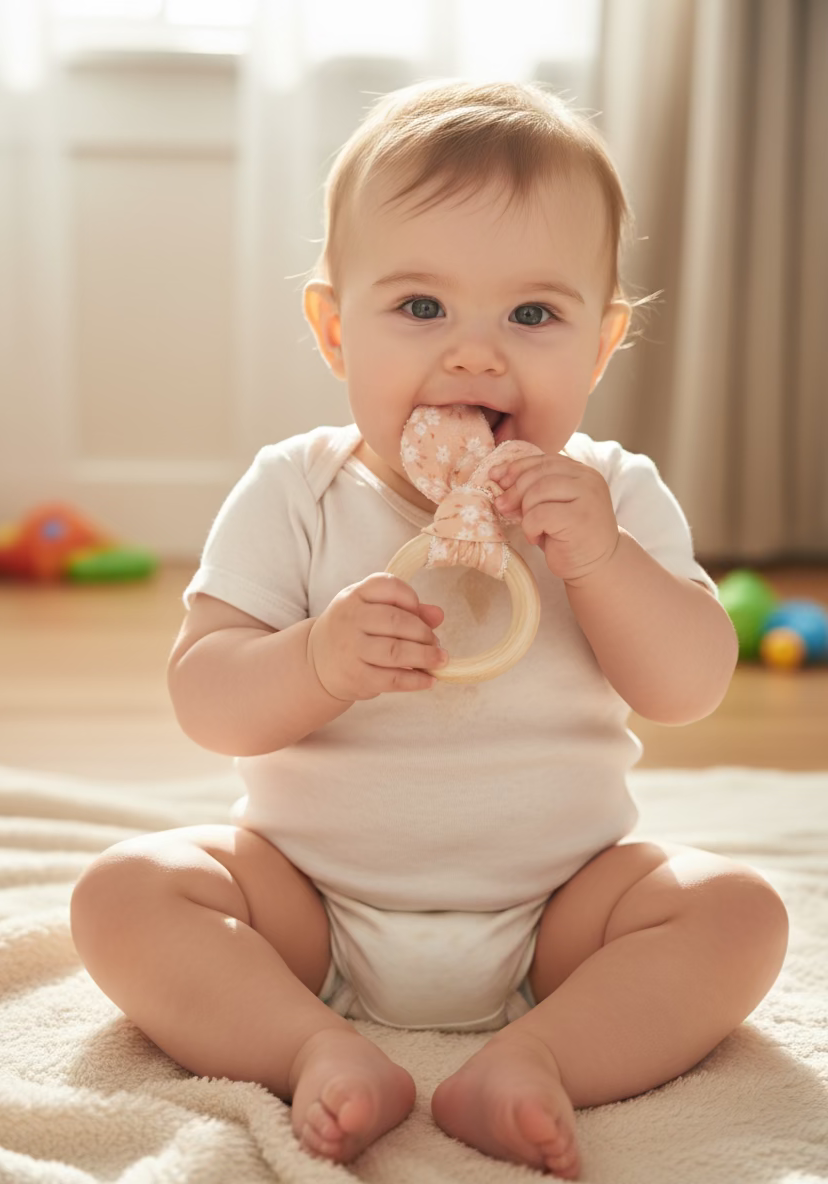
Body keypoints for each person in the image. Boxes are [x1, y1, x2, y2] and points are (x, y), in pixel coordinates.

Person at [69, 80, 789, 1178]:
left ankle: (539, 1057)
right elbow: (205, 695)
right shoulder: (296, 491)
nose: (475, 356)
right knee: (123, 892)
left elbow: (687, 686)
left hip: (561, 908)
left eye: (532, 316)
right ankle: (311, 1046)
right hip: (307, 899)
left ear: (601, 345)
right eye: (420, 308)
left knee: (737, 913)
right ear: (334, 330)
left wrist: (601, 561)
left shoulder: (612, 494)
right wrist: (315, 661)